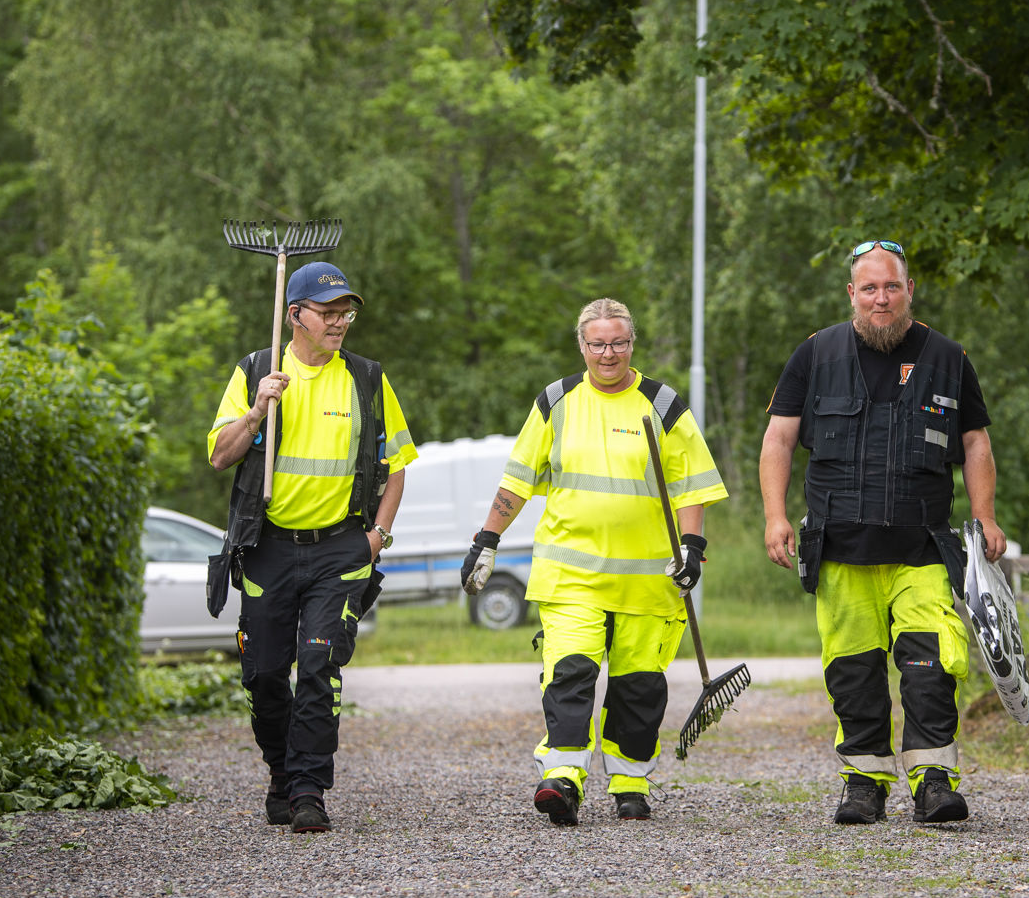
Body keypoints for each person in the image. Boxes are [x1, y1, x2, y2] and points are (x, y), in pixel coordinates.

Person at [759, 240, 1007, 826]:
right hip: (840, 548)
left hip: (920, 548)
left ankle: (933, 781)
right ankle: (864, 783)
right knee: (854, 670)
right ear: (852, 293)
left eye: (891, 287)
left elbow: (975, 442)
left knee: (930, 663)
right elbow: (778, 439)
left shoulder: (948, 357)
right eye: (869, 288)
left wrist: (986, 514)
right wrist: (774, 515)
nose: (880, 298)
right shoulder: (815, 354)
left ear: (909, 290)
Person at [459, 298, 728, 826]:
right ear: (582, 346)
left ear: (632, 344)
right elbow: (517, 480)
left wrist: (693, 549)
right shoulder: (557, 401)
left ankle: (629, 783)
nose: (609, 354)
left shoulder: (663, 404)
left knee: (639, 686)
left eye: (619, 343)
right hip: (572, 577)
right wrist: (486, 539)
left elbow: (691, 486)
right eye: (598, 344)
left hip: (648, 581)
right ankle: (562, 778)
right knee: (570, 674)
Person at [207, 260, 417, 834]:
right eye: (327, 311)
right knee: (266, 674)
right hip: (269, 549)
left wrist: (378, 536)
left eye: (345, 311)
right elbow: (221, 456)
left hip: (340, 551)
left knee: (321, 666)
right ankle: (281, 773)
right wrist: (256, 410)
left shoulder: (367, 379)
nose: (339, 321)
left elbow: (396, 468)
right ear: (294, 315)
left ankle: (307, 790)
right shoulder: (256, 370)